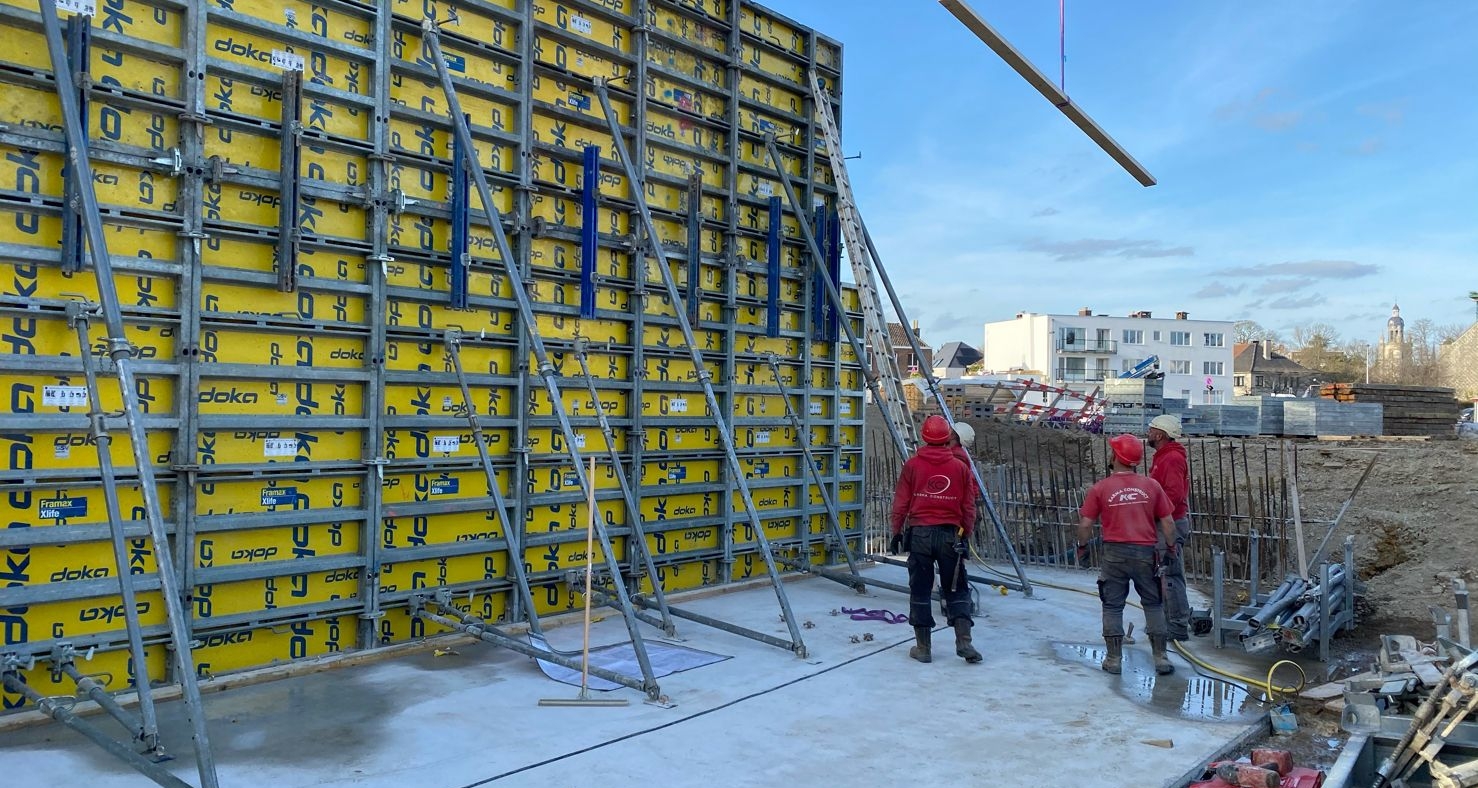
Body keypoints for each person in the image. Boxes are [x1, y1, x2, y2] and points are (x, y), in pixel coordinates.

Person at [1076, 434, 1178, 676]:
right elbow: (1168, 523)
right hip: (1146, 553)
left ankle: (1113, 659)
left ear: (1115, 457)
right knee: (1153, 605)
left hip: (1114, 554)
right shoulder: (1151, 486)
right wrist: (1171, 549)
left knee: (1112, 606)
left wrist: (1083, 547)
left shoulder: (1100, 488)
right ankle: (1161, 657)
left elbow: (1085, 524)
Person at [889, 415, 980, 664]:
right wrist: (966, 535)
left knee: (920, 589)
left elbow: (901, 503)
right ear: (947, 437)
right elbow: (968, 507)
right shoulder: (960, 467)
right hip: (951, 536)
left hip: (920, 535)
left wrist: (896, 531)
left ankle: (923, 648)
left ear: (924, 436)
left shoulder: (913, 465)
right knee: (957, 587)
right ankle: (964, 642)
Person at [1147, 414, 1191, 641]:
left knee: (1170, 575)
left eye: (1151, 429)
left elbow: (1172, 494)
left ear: (1159, 435)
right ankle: (1169, 621)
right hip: (1166, 522)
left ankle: (1176, 626)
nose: (1148, 433)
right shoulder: (1163, 457)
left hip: (1169, 524)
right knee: (1164, 574)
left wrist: (1157, 516)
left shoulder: (1171, 459)